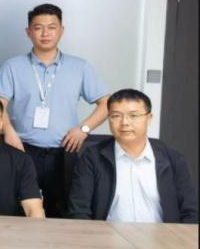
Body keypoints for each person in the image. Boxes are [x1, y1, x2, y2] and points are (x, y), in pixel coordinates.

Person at [0, 3, 109, 217]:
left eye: (52, 27)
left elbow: (107, 103)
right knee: (18, 208)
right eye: (38, 28)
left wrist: (84, 129)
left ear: (61, 31)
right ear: (28, 32)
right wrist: (8, 130)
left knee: (63, 210)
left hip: (65, 151)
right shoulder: (13, 66)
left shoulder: (80, 67)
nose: (45, 33)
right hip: (22, 149)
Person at [68, 89, 197, 223]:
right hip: (107, 235)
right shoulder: (92, 158)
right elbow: (79, 211)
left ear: (149, 119)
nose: (125, 122)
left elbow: (191, 212)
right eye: (116, 116)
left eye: (133, 115)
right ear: (109, 119)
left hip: (162, 235)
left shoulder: (173, 159)